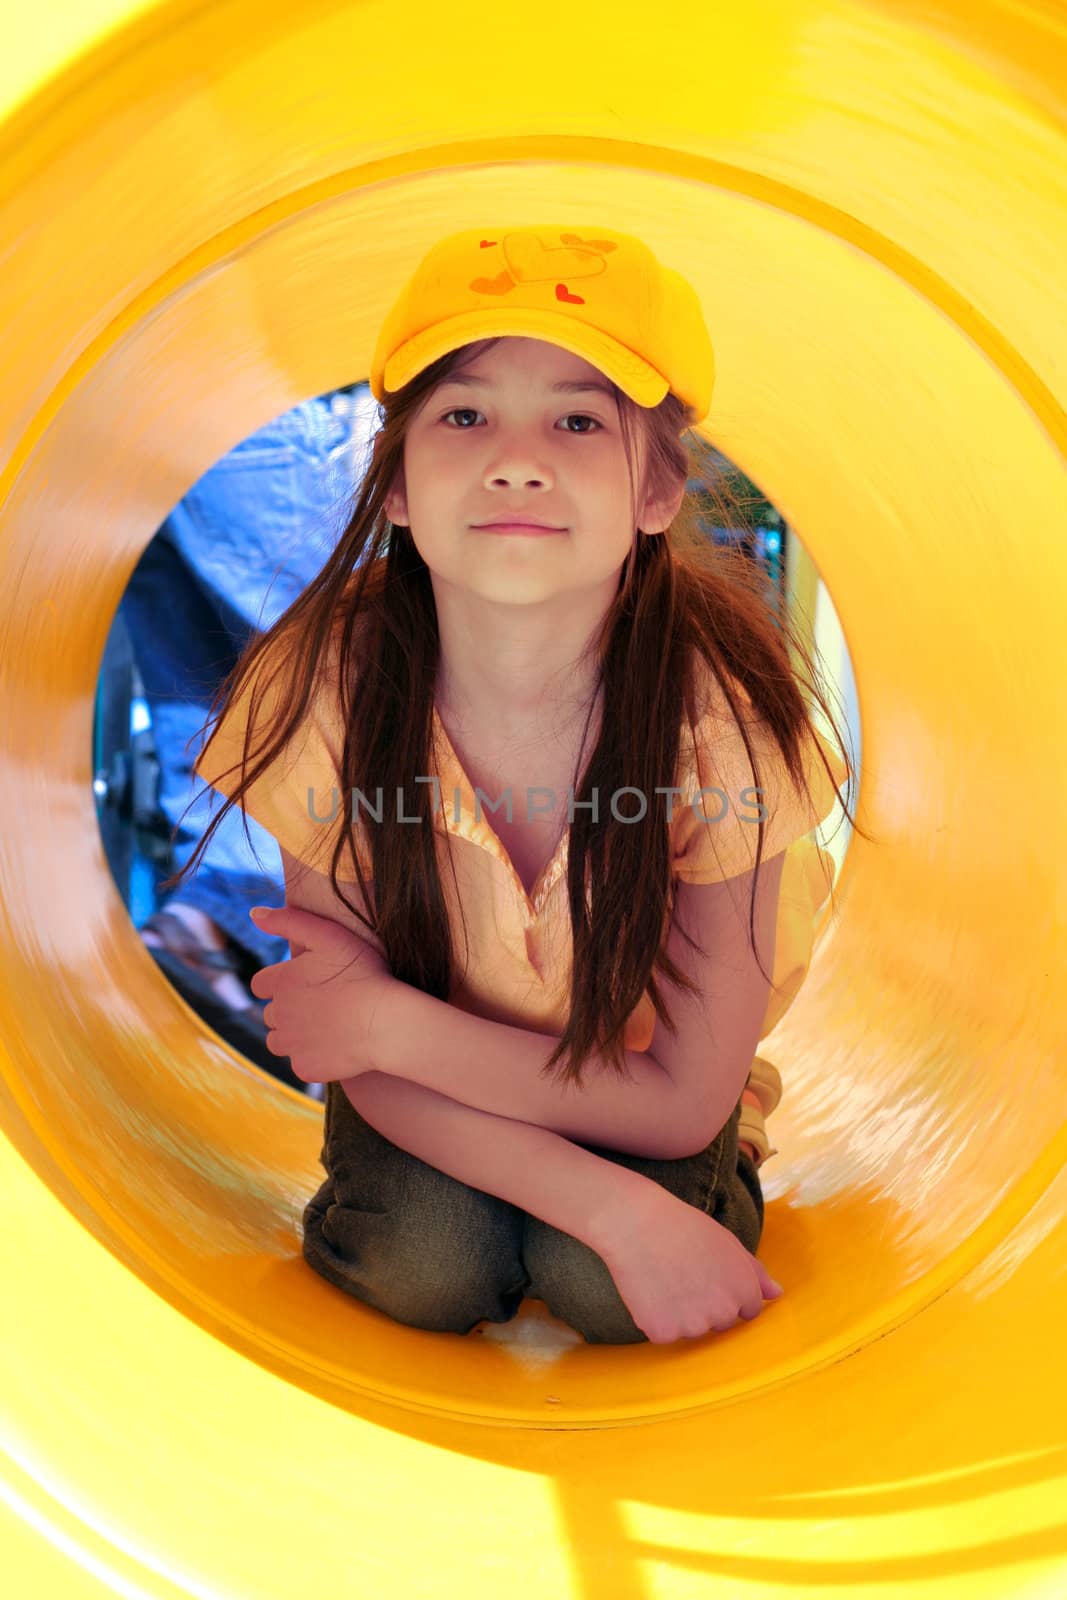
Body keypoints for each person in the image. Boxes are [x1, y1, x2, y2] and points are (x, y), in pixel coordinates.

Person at [176, 223, 867, 1345]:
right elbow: (347, 1048)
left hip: (643, 1085)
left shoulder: (720, 720)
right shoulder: (327, 689)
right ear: (393, 482)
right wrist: (601, 1202)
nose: (515, 457)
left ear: (656, 489)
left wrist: (387, 1024)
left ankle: (648, 1205)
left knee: (599, 1286)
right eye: (462, 414)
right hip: (425, 1104)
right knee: (422, 1263)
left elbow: (682, 1094)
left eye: (577, 419)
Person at [121, 387, 375, 1087]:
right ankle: (339, 998)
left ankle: (212, 926)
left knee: (204, 689)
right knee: (339, 681)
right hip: (234, 400)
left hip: (96, 417)